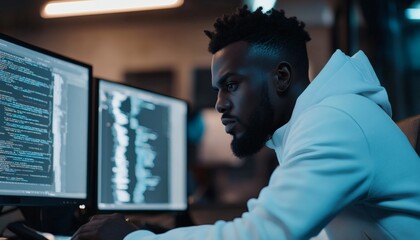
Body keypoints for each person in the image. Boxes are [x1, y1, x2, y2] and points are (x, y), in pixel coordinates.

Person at [72, 5, 420, 240]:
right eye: (218, 90)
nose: (220, 104)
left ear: (281, 77)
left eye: (231, 85)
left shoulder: (334, 123)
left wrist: (131, 238)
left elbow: (264, 233)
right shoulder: (325, 118)